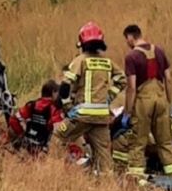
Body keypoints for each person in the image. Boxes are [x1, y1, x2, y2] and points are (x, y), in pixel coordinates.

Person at [53, 22, 125, 175]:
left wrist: (66, 106)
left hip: (82, 114)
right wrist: (108, 97)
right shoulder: (108, 62)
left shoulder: (80, 60)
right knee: (104, 155)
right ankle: (106, 186)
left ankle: (57, 174)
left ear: (82, 43)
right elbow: (122, 79)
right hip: (102, 116)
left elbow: (66, 85)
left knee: (57, 137)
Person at [119, 24, 172, 180]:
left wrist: (127, 112)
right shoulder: (159, 51)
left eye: (126, 39)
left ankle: (136, 181)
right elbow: (168, 78)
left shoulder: (131, 57)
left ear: (130, 37)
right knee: (166, 142)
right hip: (161, 99)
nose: (127, 42)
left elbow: (132, 87)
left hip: (143, 101)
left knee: (138, 143)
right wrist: (168, 102)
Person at [8, 80, 64, 154]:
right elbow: (60, 129)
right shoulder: (54, 109)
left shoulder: (32, 105)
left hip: (28, 144)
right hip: (43, 148)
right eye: (57, 93)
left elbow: (13, 120)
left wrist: (21, 134)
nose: (58, 95)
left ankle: (18, 150)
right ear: (53, 92)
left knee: (11, 129)